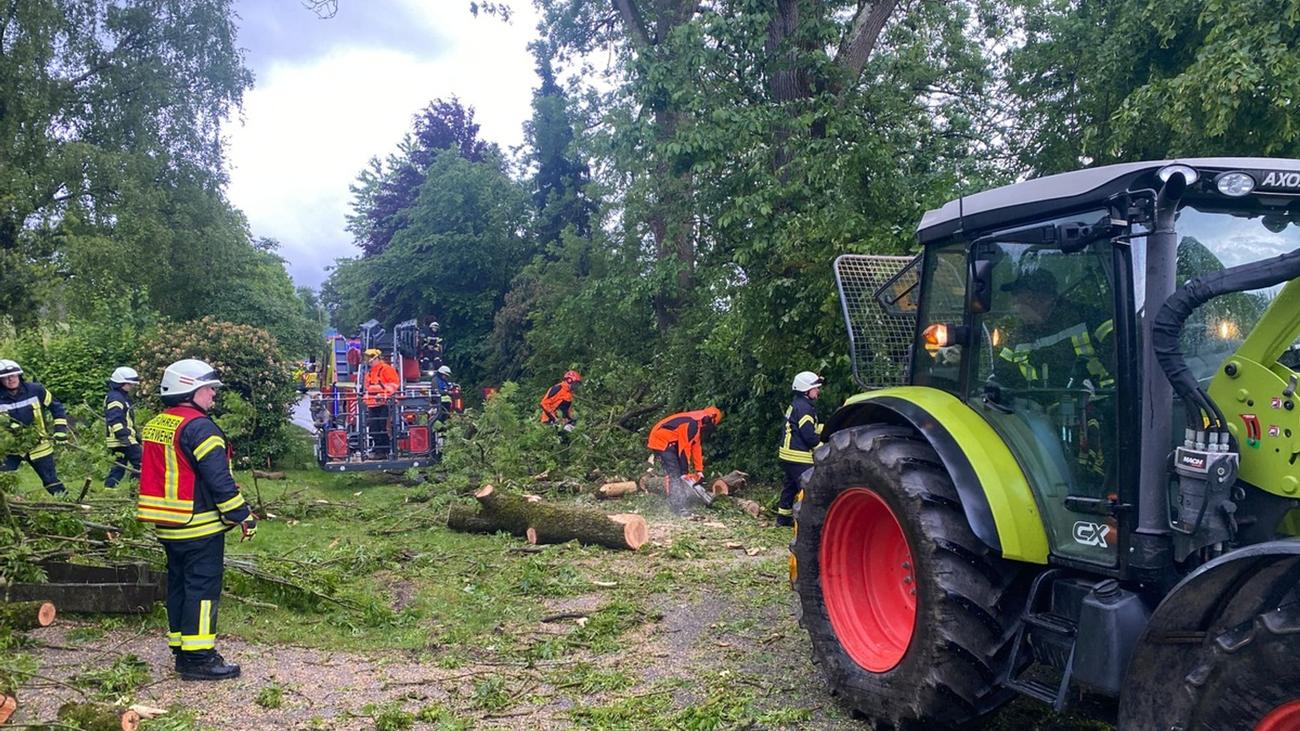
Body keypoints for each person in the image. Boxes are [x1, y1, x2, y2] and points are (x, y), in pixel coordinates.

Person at [137, 359, 255, 681]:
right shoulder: (200, 428)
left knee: (179, 586)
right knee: (202, 591)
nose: (213, 395)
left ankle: (181, 649)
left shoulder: (158, 423)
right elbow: (218, 480)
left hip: (167, 525)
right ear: (189, 390)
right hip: (199, 526)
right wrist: (242, 515)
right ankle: (199, 659)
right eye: (208, 388)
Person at [993, 267, 1115, 480]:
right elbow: (1000, 376)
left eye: (1021, 298)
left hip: (1106, 418)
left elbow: (1129, 352)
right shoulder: (1019, 338)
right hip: (1045, 427)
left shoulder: (1088, 318)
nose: (1015, 305)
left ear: (1043, 298)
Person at [0, 359, 68, 495]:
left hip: (39, 445)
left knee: (51, 481)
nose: (10, 379)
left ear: (19, 375)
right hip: (9, 449)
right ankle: (8, 505)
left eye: (13, 375)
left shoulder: (36, 390)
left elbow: (57, 407)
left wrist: (60, 430)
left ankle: (67, 503)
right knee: (3, 480)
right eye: (5, 377)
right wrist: (6, 426)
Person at [646, 406, 723, 512]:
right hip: (661, 440)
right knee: (675, 473)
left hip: (669, 441)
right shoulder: (692, 424)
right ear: (710, 420)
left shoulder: (697, 425)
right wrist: (684, 472)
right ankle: (678, 506)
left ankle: (677, 500)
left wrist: (699, 471)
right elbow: (683, 449)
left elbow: (696, 448)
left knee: (677, 471)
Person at [776, 371, 823, 527]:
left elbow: (806, 427)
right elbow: (808, 435)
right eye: (815, 388)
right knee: (808, 488)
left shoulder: (797, 404)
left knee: (790, 487)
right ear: (806, 390)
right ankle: (806, 522)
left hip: (787, 454)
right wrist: (821, 447)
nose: (818, 391)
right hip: (798, 456)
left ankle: (783, 518)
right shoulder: (805, 408)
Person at [104, 367, 142, 488]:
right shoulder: (116, 398)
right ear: (121, 383)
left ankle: (109, 488)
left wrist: (136, 436)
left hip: (120, 438)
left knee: (119, 466)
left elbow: (127, 420)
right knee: (142, 462)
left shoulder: (120, 396)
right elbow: (115, 418)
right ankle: (135, 487)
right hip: (122, 438)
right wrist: (123, 436)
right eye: (129, 384)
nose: (132, 386)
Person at [363, 348, 400, 456]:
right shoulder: (369, 373)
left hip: (385, 403)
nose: (369, 362)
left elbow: (394, 385)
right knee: (373, 427)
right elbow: (367, 388)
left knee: (382, 426)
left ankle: (384, 449)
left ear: (378, 358)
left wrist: (384, 394)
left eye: (371, 359)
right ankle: (378, 448)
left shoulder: (387, 369)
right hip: (372, 404)